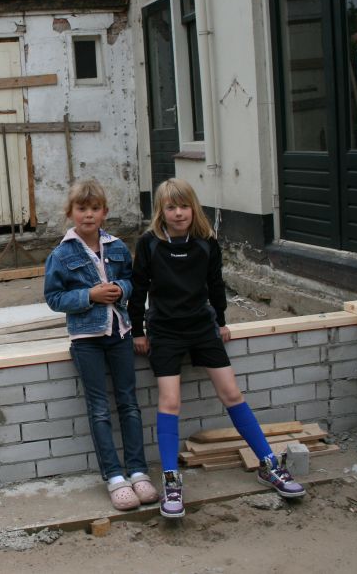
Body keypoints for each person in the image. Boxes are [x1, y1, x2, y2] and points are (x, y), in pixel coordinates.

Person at [128, 178, 305, 519]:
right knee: (170, 401)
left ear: (193, 208)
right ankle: (171, 480)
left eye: (184, 206)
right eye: (171, 207)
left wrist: (221, 322)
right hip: (164, 331)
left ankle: (269, 465)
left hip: (202, 328)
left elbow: (215, 285)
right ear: (161, 211)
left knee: (232, 394)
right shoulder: (149, 244)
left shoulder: (206, 242)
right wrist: (137, 330)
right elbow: (138, 289)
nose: (178, 213)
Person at [44, 179, 158, 511]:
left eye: (95, 209)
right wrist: (89, 295)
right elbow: (54, 298)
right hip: (86, 340)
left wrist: (121, 289)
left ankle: (138, 471)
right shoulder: (61, 254)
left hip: (120, 334)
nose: (88, 215)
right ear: (70, 212)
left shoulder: (118, 247)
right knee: (99, 408)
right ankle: (115, 477)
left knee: (129, 403)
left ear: (105, 212)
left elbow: (133, 282)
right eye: (82, 208)